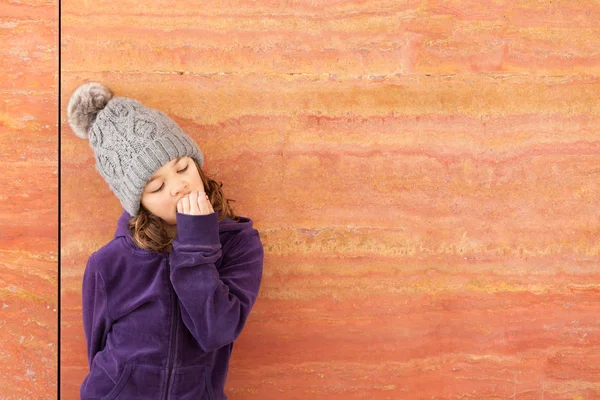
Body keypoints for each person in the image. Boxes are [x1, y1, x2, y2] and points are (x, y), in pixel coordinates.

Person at [67, 82, 264, 399]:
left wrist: (196, 246)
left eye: (183, 167)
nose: (178, 187)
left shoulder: (239, 245)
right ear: (138, 202)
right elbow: (97, 348)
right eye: (156, 187)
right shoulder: (109, 262)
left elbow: (216, 332)